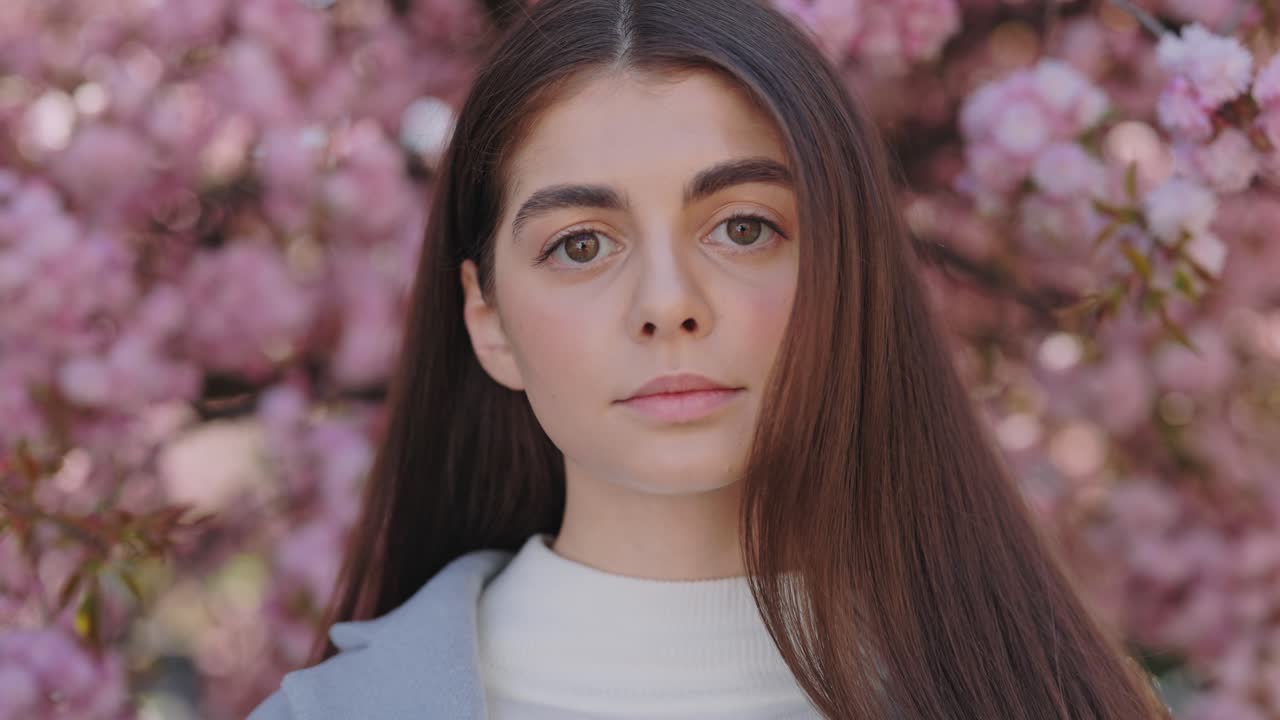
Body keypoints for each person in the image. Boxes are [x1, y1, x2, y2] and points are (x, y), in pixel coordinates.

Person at [248, 0, 1172, 718]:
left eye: (743, 228)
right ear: (487, 322)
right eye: (580, 245)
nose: (668, 304)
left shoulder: (1053, 701)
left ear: (846, 274)